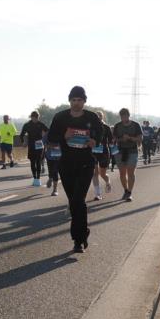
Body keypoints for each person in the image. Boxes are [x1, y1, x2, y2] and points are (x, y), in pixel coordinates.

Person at [46, 86, 103, 252]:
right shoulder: (60, 117)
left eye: (79, 100)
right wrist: (64, 136)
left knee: (79, 200)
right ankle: (82, 232)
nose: (76, 103)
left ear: (84, 101)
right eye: (73, 100)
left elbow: (101, 134)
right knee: (74, 202)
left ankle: (78, 240)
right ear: (69, 101)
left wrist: (94, 141)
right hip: (66, 164)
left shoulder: (91, 117)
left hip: (85, 163)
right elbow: (50, 138)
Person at [113, 108, 143, 202]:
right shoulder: (117, 126)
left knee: (130, 173)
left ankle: (129, 192)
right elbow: (114, 139)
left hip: (132, 151)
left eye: (125, 116)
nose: (123, 118)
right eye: (122, 116)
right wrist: (122, 139)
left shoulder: (136, 125)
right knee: (122, 173)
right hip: (120, 151)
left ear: (128, 116)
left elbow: (140, 139)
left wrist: (130, 138)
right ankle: (125, 190)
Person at [20, 111, 48, 187]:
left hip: (39, 144)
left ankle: (38, 179)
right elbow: (21, 134)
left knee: (38, 161)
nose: (36, 119)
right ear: (31, 117)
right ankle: (35, 178)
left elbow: (48, 131)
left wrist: (45, 140)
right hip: (31, 144)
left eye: (37, 117)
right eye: (34, 117)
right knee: (32, 162)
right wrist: (23, 142)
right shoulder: (27, 125)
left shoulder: (41, 124)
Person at [90, 111, 113, 201]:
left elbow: (111, 140)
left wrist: (113, 144)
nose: (98, 118)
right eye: (96, 116)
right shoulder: (91, 127)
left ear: (102, 117)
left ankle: (107, 181)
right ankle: (98, 194)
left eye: (99, 116)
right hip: (93, 152)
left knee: (102, 173)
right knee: (95, 173)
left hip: (103, 152)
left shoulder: (106, 127)